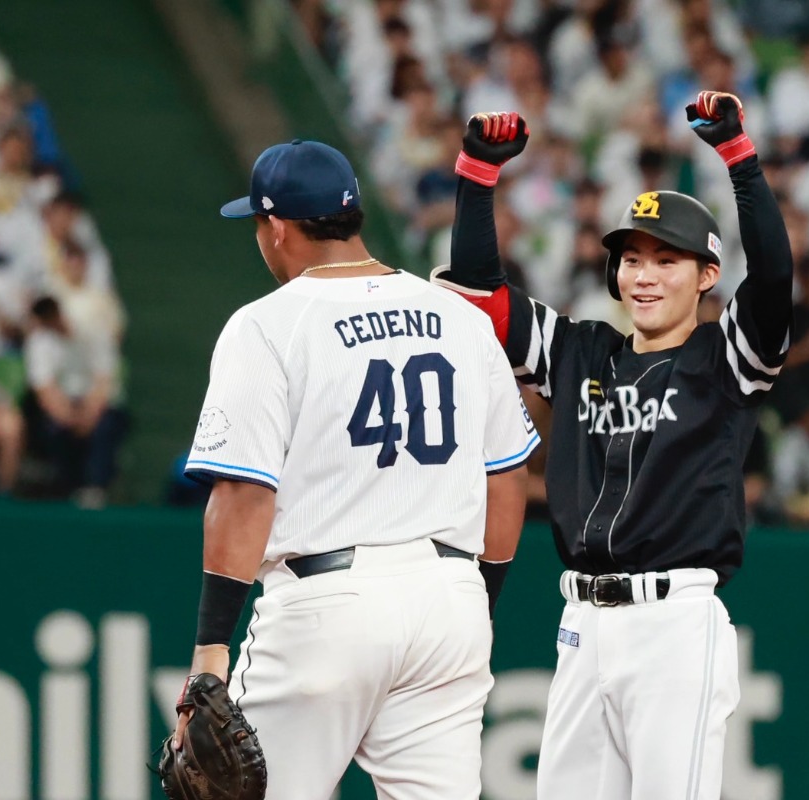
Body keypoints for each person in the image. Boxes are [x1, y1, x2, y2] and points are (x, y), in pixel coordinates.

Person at [432, 92, 794, 799]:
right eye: (632, 258)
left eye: (667, 259)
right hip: (583, 623)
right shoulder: (580, 350)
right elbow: (479, 298)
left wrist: (740, 161)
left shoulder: (728, 360)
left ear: (707, 276)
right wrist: (476, 175)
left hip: (675, 622)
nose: (645, 274)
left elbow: (775, 278)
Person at [172, 139, 538, 799]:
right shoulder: (460, 318)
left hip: (327, 604)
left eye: (258, 223)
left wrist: (209, 656)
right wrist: (477, 602)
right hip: (448, 599)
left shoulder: (267, 325)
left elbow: (244, 497)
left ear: (277, 227)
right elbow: (508, 478)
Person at [24, 295, 126, 508]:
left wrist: (88, 416)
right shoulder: (38, 342)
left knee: (107, 425)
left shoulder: (93, 330)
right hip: (63, 408)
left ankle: (95, 489)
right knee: (53, 430)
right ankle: (64, 489)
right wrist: (68, 417)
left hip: (96, 406)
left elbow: (104, 379)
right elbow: (45, 389)